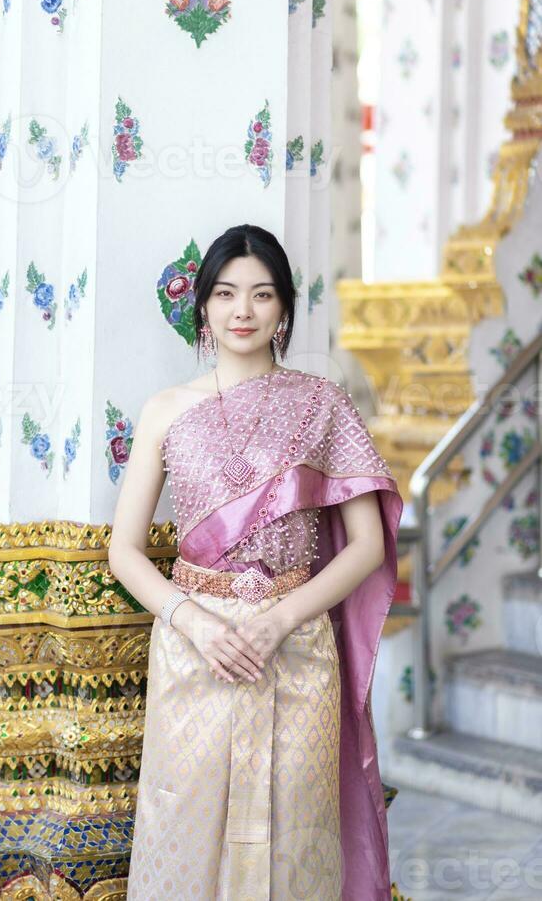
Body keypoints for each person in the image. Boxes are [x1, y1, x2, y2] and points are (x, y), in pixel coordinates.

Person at [108, 224, 403, 900]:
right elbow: (123, 550)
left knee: (296, 828)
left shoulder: (322, 405)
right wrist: (196, 623)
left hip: (295, 644)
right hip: (194, 647)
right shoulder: (166, 411)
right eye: (226, 294)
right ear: (204, 307)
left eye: (262, 295)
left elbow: (366, 546)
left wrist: (279, 622)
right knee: (185, 816)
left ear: (284, 310)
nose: (243, 310)